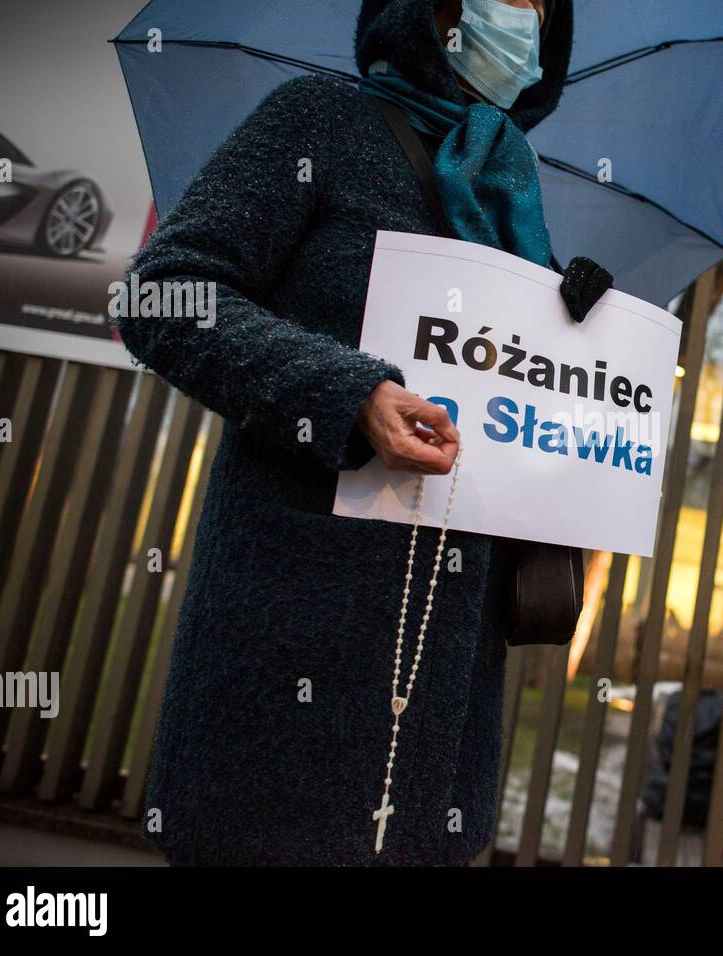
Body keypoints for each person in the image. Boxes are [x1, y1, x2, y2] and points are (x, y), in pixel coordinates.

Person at [115, 0, 598, 866]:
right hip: (291, 637)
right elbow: (164, 295)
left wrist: (572, 333)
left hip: (443, 682)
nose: (525, 16)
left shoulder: (511, 187)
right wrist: (353, 394)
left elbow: (513, 418)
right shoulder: (320, 122)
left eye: (542, 4)